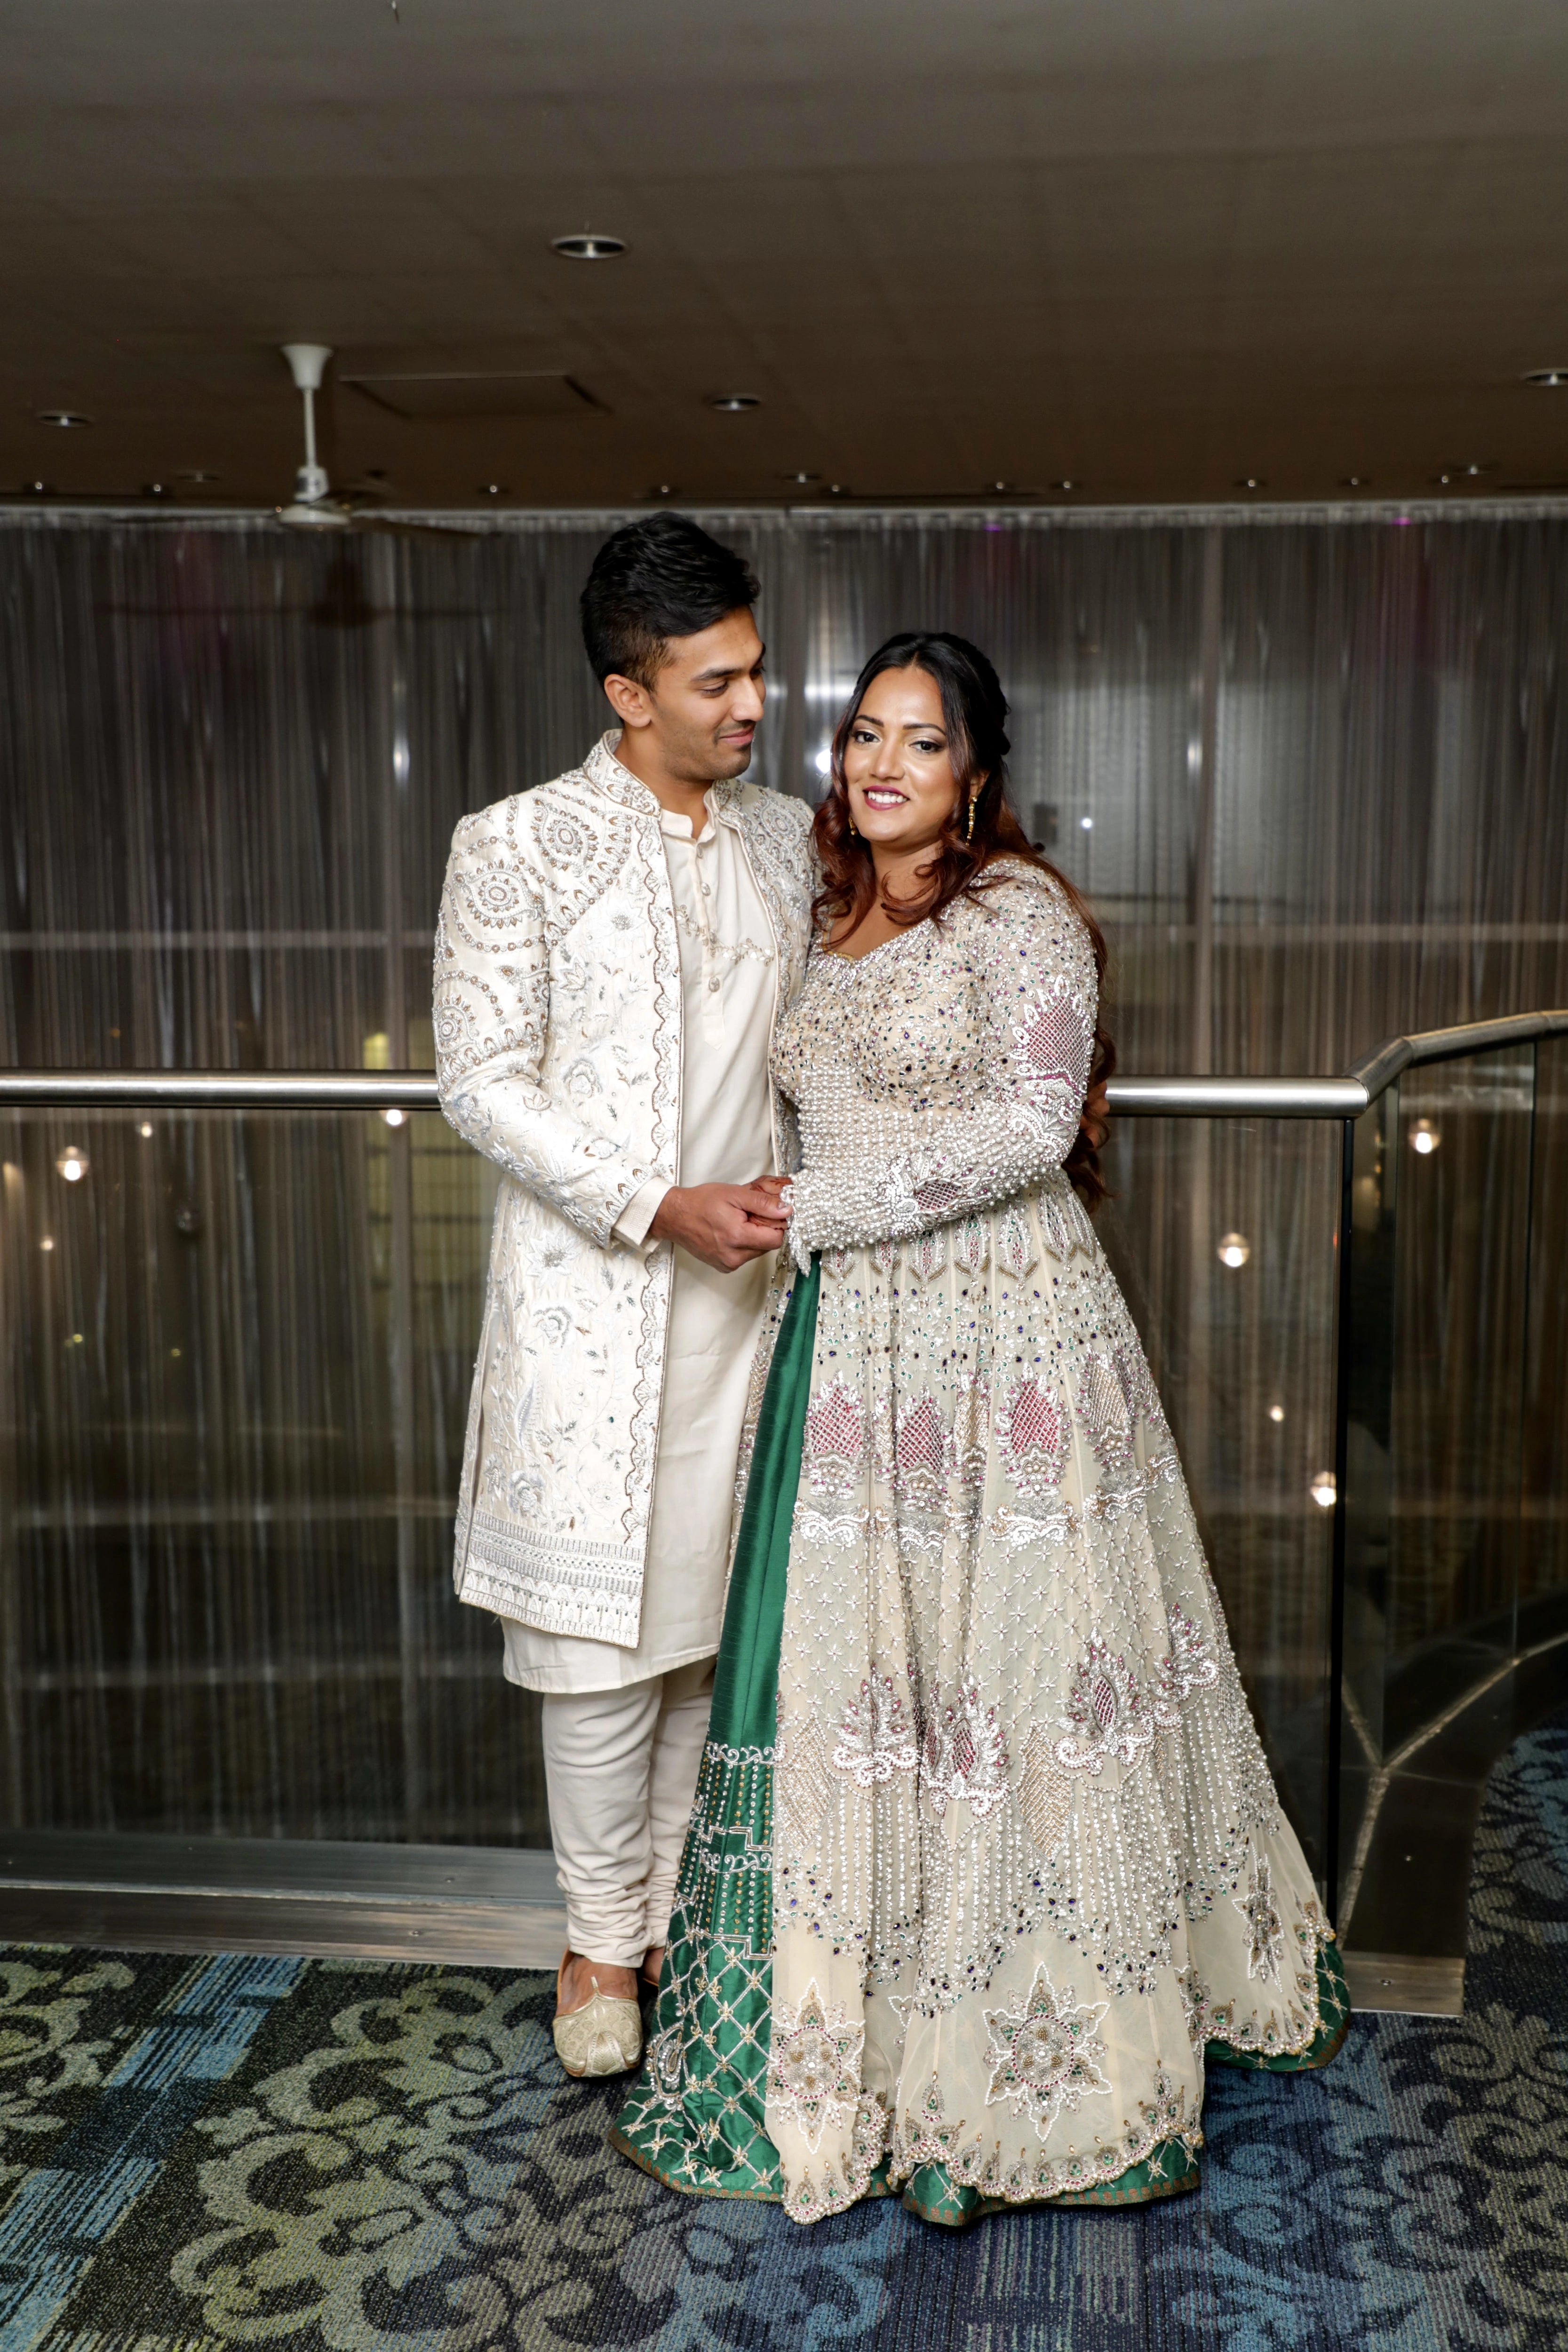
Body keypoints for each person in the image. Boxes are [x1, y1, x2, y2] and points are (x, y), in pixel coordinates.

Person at [613, 631, 1348, 2224]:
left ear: (979, 777)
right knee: (871, 1687)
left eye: (920, 743)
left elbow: (1027, 1126)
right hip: (855, 1354)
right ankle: (853, 2052)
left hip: (1004, 1333)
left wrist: (827, 1204)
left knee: (1010, 1677)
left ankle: (1023, 2074)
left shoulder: (1022, 920)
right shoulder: (819, 913)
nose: (880, 764)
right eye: (864, 735)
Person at [434, 514, 814, 2079]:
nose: (752, 706)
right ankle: (598, 1947)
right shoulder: (514, 845)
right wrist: (658, 1205)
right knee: (599, 1649)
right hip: (602, 1304)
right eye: (715, 681)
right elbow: (478, 1084)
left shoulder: (792, 838)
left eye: (758, 670)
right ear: (624, 692)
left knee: (713, 1636)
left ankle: (675, 1925)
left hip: (765, 1304)